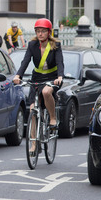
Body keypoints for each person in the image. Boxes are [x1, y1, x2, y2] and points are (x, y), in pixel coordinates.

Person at [12, 18, 64, 154]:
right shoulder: (32, 45)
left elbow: (60, 62)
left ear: (49, 32)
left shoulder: (55, 45)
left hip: (52, 77)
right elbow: (25, 61)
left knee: (47, 92)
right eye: (38, 31)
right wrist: (18, 76)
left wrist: (60, 77)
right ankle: (34, 144)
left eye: (43, 31)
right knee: (33, 110)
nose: (40, 34)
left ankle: (52, 118)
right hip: (37, 77)